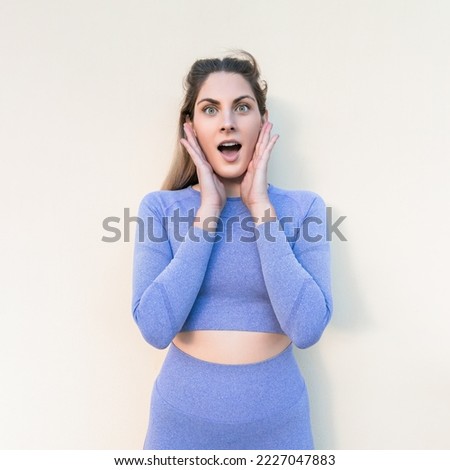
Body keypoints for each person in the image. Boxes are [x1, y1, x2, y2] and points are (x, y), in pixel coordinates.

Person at [131, 50, 333, 450]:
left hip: (279, 428)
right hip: (181, 428)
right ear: (190, 128)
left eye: (242, 107)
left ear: (262, 121)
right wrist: (209, 212)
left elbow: (308, 329)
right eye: (210, 109)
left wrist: (260, 208)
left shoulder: (303, 208)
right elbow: (154, 329)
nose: (227, 122)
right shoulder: (159, 208)